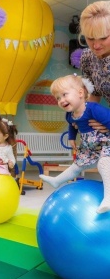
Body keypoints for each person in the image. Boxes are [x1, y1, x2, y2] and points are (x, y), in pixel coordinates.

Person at [39, 74, 110, 214]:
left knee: (104, 164)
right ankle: (57, 180)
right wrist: (72, 137)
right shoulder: (70, 114)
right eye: (58, 98)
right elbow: (72, 124)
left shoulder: (93, 109)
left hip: (105, 142)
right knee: (77, 165)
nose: (61, 100)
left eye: (64, 94)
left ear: (80, 93)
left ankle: (108, 198)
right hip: (89, 146)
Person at [80, 0, 110, 131]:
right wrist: (84, 118)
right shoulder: (88, 57)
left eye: (103, 38)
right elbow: (94, 93)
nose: (96, 46)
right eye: (90, 38)